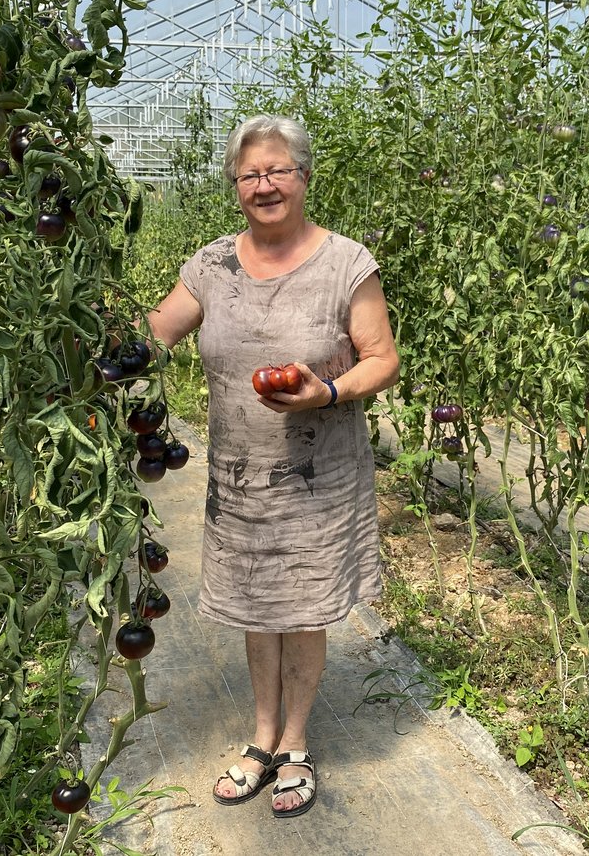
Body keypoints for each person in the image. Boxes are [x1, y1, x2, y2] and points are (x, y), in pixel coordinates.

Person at [146, 114, 400, 819]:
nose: (264, 185)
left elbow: (382, 359)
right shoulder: (211, 266)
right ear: (235, 185)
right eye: (249, 174)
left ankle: (295, 743)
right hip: (239, 477)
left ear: (304, 177)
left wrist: (328, 391)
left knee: (305, 607)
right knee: (258, 608)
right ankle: (262, 737)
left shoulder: (346, 262)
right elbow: (155, 333)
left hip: (319, 476)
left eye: (277, 171)